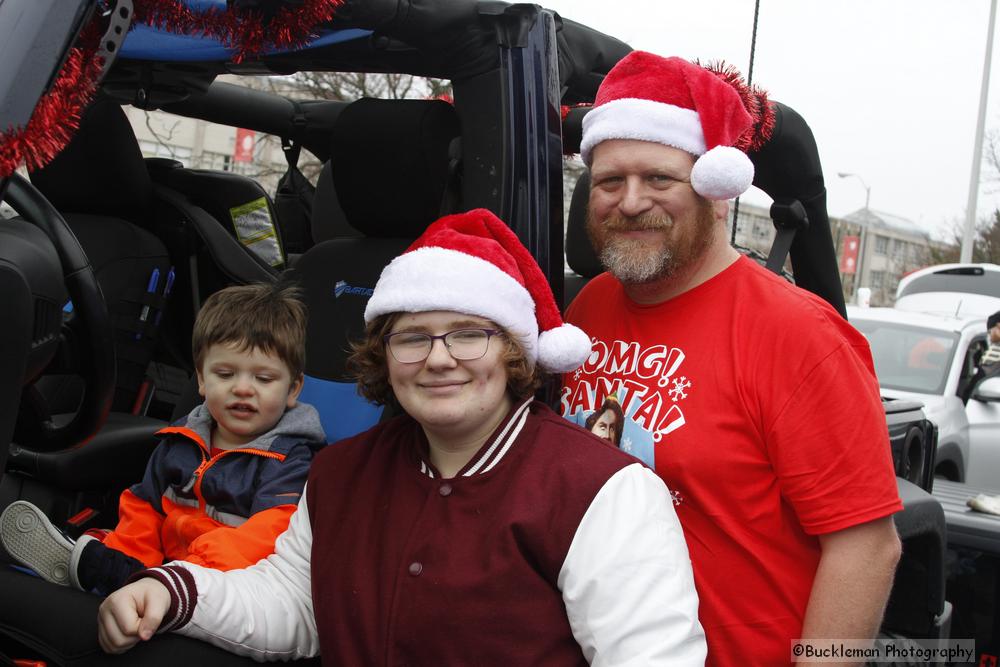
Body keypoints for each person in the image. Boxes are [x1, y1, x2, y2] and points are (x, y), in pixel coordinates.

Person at [97, 208, 707, 665]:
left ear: (516, 352)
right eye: (412, 337)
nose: (439, 359)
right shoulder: (340, 473)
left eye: (469, 333)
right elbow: (294, 603)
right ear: (383, 355)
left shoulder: (603, 491)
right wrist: (173, 593)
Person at [560, 51, 903, 666]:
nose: (630, 201)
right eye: (610, 181)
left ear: (717, 191)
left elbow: (866, 547)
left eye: (659, 178)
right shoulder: (588, 307)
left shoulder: (798, 334)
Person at [1, 282, 325, 596]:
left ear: (293, 389)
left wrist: (178, 577)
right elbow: (146, 505)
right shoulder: (181, 439)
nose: (242, 388)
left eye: (263, 378)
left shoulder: (290, 457)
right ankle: (100, 565)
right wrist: (131, 555)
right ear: (201, 379)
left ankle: (101, 571)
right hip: (166, 570)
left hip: (228, 582)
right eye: (225, 375)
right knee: (113, 541)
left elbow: (269, 533)